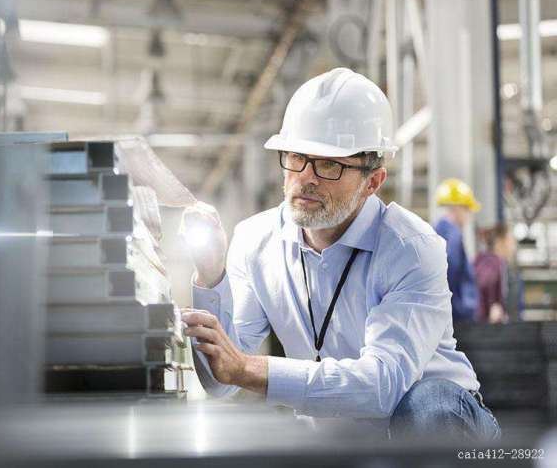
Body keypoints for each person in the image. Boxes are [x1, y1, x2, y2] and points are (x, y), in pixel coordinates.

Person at [180, 68, 500, 440]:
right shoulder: (254, 241)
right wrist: (210, 277)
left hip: (445, 429)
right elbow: (223, 382)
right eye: (297, 157)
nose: (306, 177)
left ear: (373, 181)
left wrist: (250, 370)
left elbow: (383, 387)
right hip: (340, 439)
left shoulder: (411, 248)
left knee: (428, 405)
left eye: (329, 164)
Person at [433, 179, 481, 323]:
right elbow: (450, 271)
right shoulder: (453, 234)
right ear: (457, 208)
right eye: (467, 209)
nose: (469, 215)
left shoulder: (435, 231)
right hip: (457, 317)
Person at [474, 224, 522, 323]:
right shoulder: (490, 262)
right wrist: (491, 308)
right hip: (484, 328)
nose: (513, 246)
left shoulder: (498, 263)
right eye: (511, 241)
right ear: (499, 241)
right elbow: (483, 284)